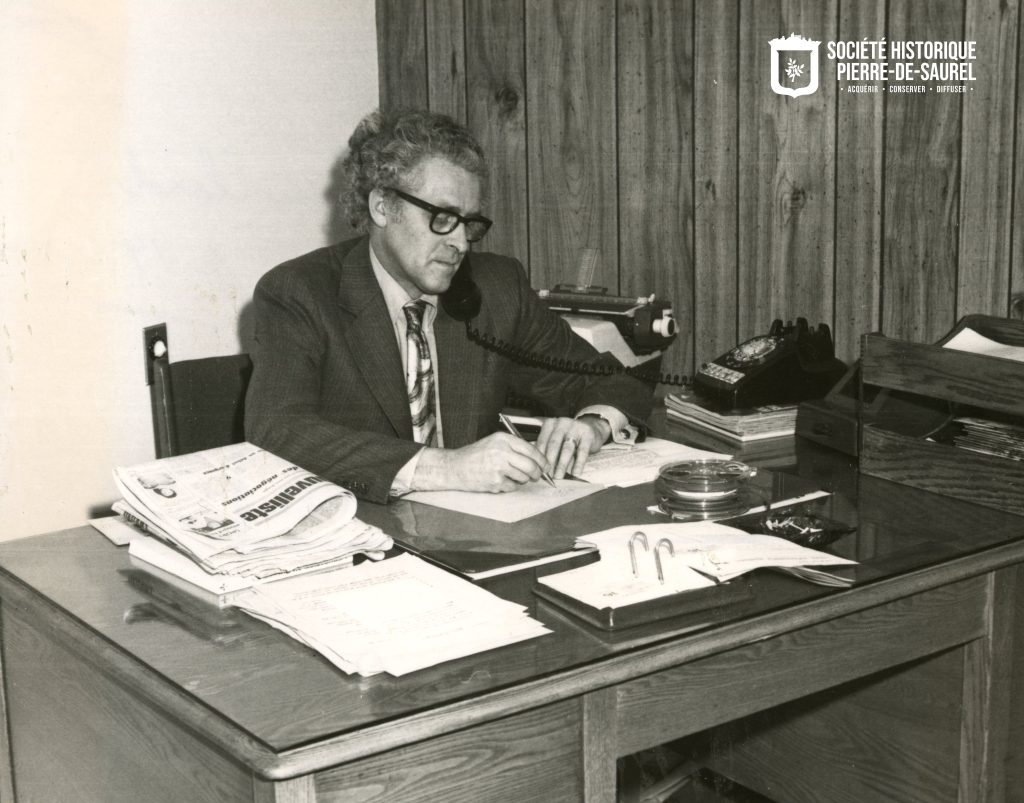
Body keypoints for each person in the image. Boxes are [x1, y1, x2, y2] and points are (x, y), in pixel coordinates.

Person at [245, 108, 652, 504]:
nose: (460, 243)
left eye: (469, 223)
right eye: (442, 217)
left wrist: (593, 425)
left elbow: (611, 379)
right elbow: (277, 431)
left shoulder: (496, 287)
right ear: (382, 206)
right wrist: (445, 467)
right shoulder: (299, 292)